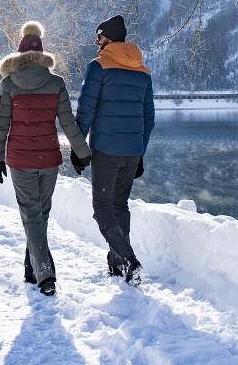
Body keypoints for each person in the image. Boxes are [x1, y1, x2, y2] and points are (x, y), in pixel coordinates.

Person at [0, 21, 92, 297]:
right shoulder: (55, 83)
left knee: (33, 216)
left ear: (19, 55)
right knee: (39, 215)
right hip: (49, 159)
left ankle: (45, 275)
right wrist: (83, 153)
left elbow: (2, 124)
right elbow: (68, 123)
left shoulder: (8, 83)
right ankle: (31, 267)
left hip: (20, 160)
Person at [73, 14, 155, 284]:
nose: (96, 42)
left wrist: (77, 148)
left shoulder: (99, 67)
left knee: (102, 207)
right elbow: (148, 118)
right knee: (119, 205)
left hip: (106, 151)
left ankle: (129, 259)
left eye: (99, 36)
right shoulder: (142, 71)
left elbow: (86, 111)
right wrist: (140, 152)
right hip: (131, 152)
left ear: (108, 38)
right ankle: (117, 262)